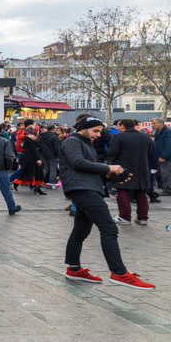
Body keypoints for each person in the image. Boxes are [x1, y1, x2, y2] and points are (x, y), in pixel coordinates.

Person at [61, 116, 155, 289]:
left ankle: (74, 269)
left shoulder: (85, 143)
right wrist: (108, 168)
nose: (98, 135)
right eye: (95, 131)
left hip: (87, 187)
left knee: (80, 230)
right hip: (83, 189)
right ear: (83, 128)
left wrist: (109, 175)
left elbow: (88, 167)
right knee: (109, 228)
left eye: (100, 131)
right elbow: (77, 163)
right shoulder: (72, 141)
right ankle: (119, 273)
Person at [108, 119, 153, 225]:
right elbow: (149, 152)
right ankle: (143, 218)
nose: (118, 128)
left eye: (118, 126)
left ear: (123, 126)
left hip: (123, 168)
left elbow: (111, 153)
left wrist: (110, 168)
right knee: (141, 193)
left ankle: (125, 217)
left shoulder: (118, 137)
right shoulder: (145, 136)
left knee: (122, 191)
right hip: (142, 168)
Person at [13, 126, 46, 195]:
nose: (39, 131)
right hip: (32, 158)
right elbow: (34, 150)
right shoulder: (32, 138)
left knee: (30, 172)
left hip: (29, 158)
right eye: (38, 130)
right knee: (34, 173)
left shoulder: (29, 137)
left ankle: (37, 188)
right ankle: (36, 188)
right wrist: (38, 159)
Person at [151, 118, 171, 196]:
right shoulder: (159, 132)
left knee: (165, 174)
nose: (153, 125)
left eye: (154, 123)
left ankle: (168, 190)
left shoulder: (168, 132)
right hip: (161, 156)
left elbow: (169, 145)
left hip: (167, 157)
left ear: (161, 123)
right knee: (164, 173)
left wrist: (163, 156)